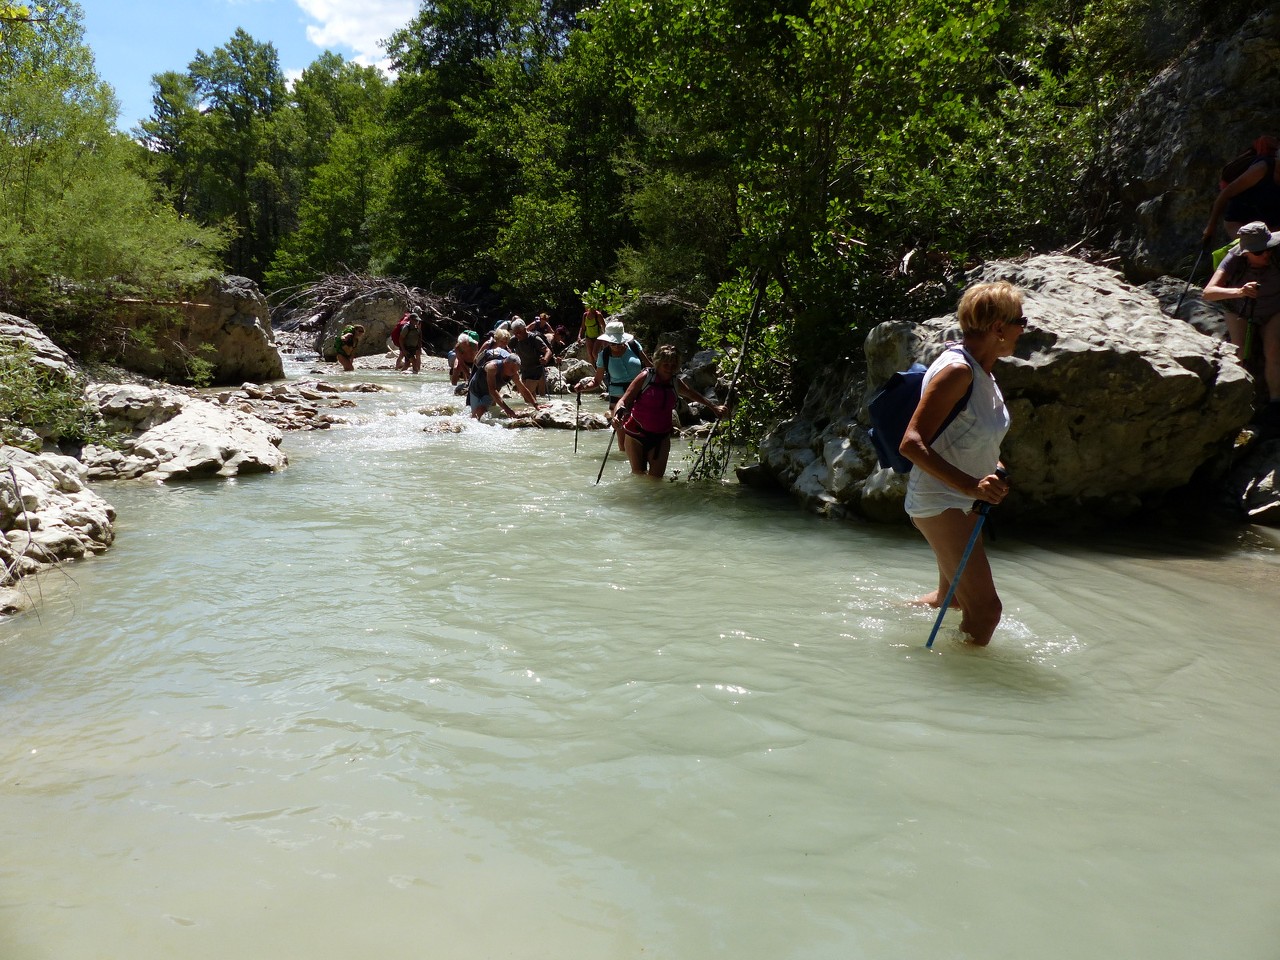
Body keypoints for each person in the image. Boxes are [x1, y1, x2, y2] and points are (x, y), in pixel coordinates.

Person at [899, 281, 1024, 646]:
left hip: (962, 500)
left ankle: (879, 614)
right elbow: (911, 443)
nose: (1023, 329)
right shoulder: (958, 371)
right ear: (998, 327)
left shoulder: (985, 373)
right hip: (940, 501)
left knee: (951, 599)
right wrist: (971, 486)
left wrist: (994, 468)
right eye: (1020, 320)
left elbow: (970, 436)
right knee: (986, 612)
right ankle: (960, 693)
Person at [1202, 221, 1280, 429]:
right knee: (1239, 352)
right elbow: (1208, 293)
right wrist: (1239, 292)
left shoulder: (1277, 251)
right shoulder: (1233, 260)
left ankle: (1275, 404)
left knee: (1273, 351)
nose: (1266, 255)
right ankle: (1239, 400)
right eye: (1259, 252)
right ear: (1246, 252)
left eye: (1268, 249)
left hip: (1274, 309)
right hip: (1239, 309)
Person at [613, 345, 728, 478]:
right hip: (636, 433)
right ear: (658, 363)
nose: (669, 368)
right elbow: (623, 400)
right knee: (638, 475)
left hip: (661, 437)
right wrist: (616, 415)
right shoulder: (645, 377)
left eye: (673, 365)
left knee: (656, 479)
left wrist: (714, 407)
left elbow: (692, 394)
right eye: (665, 364)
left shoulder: (675, 382)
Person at [578, 319, 652, 451]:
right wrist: (582, 388)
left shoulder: (634, 346)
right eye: (613, 343)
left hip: (640, 395)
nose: (617, 345)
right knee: (622, 437)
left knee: (643, 433)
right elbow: (597, 381)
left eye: (619, 342)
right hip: (617, 400)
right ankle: (625, 460)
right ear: (607, 341)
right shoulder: (604, 355)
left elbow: (650, 367)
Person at [1203, 136, 1280, 247]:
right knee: (1257, 249)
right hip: (1239, 221)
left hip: (1267, 222)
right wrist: (1211, 226)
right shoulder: (1262, 169)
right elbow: (1225, 194)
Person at [467, 348, 542, 420]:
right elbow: (492, 390)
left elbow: (523, 390)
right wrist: (507, 409)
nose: (513, 372)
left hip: (489, 393)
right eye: (512, 369)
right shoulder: (492, 367)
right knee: (474, 416)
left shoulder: (514, 373)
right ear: (506, 363)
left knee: (480, 411)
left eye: (516, 370)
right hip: (475, 388)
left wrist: (536, 405)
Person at [508, 318, 555, 396]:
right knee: (530, 395)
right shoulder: (515, 339)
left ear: (525, 329)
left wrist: (545, 360)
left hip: (536, 369)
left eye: (519, 332)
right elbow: (506, 347)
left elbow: (548, 351)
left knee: (526, 394)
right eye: (515, 333)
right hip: (524, 370)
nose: (517, 335)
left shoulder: (534, 338)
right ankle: (536, 407)